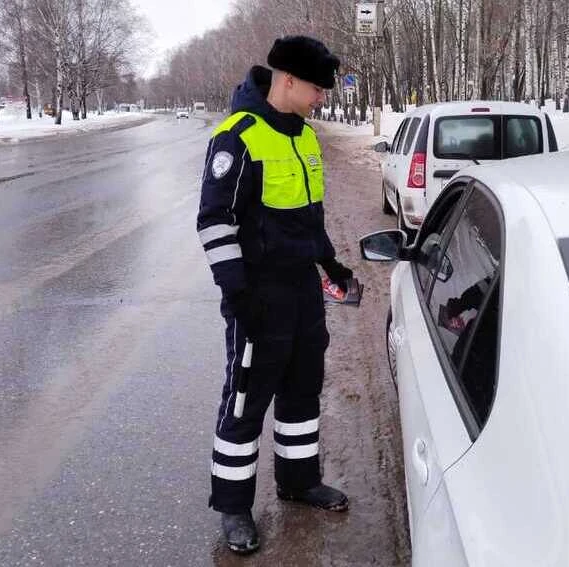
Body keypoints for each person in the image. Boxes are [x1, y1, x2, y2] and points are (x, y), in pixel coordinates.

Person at [195, 35, 355, 555]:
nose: (322, 98)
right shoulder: (238, 138)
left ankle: (298, 480)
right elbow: (215, 223)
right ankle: (234, 506)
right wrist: (238, 295)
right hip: (258, 297)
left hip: (303, 293)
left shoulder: (305, 139)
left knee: (302, 391)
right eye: (316, 88)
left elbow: (310, 217)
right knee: (246, 399)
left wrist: (330, 263)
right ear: (287, 80)